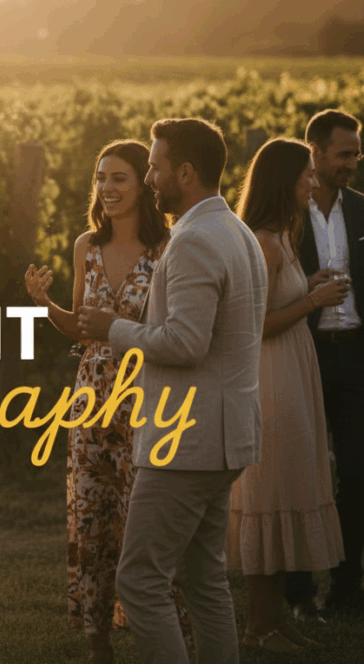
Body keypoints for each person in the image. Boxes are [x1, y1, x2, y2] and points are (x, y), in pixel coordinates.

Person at [79, 118, 268, 664]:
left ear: (185, 173)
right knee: (204, 576)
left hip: (186, 439)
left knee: (140, 579)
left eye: (155, 168)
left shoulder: (193, 241)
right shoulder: (237, 232)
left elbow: (185, 343)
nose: (149, 179)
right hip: (226, 435)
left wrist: (112, 327)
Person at [25, 140, 181, 663]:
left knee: (145, 517)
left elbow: (172, 330)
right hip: (91, 398)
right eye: (100, 178)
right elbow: (80, 326)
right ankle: (98, 641)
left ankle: (165, 628)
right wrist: (43, 304)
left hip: (146, 395)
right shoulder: (85, 246)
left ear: (143, 184)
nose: (106, 188)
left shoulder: (168, 248)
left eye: (119, 178)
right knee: (91, 513)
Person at [226, 138, 345, 651]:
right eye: (306, 177)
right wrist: (314, 300)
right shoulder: (262, 242)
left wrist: (309, 284)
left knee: (287, 489)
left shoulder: (282, 236)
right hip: (271, 378)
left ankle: (276, 619)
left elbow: (280, 298)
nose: (313, 184)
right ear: (283, 182)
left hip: (293, 372)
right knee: (269, 493)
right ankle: (259, 624)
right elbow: (254, 326)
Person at [285, 109, 364, 622]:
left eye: (356, 154)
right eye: (343, 154)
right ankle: (297, 593)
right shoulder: (289, 215)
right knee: (301, 472)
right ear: (314, 151)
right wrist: (308, 291)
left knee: (356, 472)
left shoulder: (361, 208)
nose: (352, 163)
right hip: (305, 351)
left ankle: (346, 585)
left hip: (354, 354)